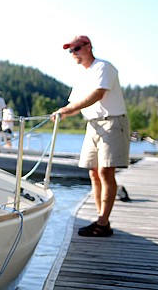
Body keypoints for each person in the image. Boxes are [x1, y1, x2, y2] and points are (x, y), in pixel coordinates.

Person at [55, 35, 130, 237]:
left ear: (88, 47)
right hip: (93, 125)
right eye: (70, 51)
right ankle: (100, 220)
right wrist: (61, 113)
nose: (73, 54)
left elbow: (98, 95)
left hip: (112, 122)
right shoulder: (81, 75)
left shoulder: (104, 67)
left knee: (106, 173)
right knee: (94, 173)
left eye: (77, 49)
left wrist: (67, 110)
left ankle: (102, 223)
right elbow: (73, 105)